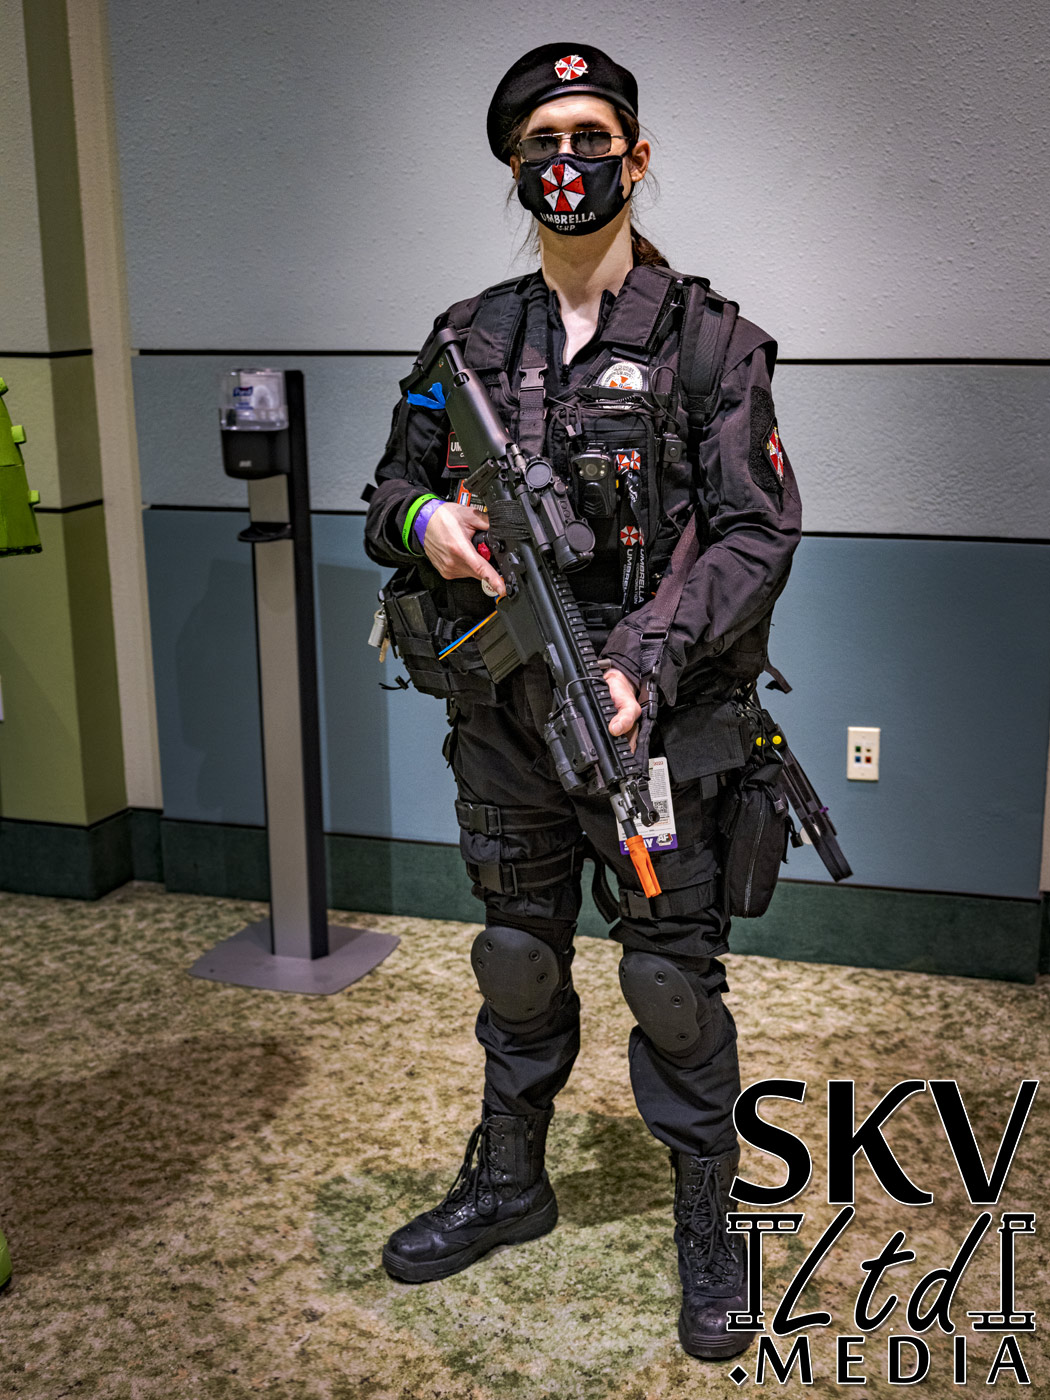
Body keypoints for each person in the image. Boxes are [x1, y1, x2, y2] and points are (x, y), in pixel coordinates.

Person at [363, 42, 801, 1362]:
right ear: (514, 166)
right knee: (515, 955)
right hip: (504, 712)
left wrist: (643, 660)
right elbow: (387, 491)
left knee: (669, 978)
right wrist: (434, 524)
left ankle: (707, 1217)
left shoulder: (710, 344)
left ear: (636, 156)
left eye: (591, 136)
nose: (567, 160)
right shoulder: (464, 339)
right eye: (541, 140)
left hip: (652, 725)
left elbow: (755, 531)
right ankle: (510, 1180)